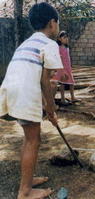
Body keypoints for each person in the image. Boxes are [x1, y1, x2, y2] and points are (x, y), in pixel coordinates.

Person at [0, 2, 63, 199]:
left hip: (11, 90)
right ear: (52, 23)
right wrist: (51, 109)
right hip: (25, 93)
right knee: (33, 140)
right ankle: (25, 192)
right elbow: (46, 81)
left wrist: (46, 107)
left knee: (30, 139)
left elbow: (33, 76)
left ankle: (28, 179)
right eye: (57, 23)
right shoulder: (50, 44)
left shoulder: (26, 43)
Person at [51, 31, 79, 105]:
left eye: (67, 37)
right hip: (61, 68)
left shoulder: (67, 47)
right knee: (62, 83)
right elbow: (59, 59)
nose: (66, 39)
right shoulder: (59, 48)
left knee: (71, 82)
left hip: (68, 68)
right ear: (60, 39)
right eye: (64, 37)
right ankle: (62, 99)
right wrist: (62, 70)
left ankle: (73, 97)